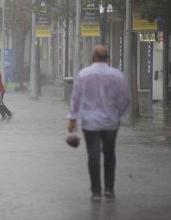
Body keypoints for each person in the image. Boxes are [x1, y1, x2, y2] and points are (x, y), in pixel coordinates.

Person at [68, 45, 131, 202]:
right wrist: (120, 116)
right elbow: (126, 99)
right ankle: (109, 189)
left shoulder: (84, 75)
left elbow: (75, 98)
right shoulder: (117, 75)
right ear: (108, 58)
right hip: (111, 122)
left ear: (93, 58)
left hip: (90, 122)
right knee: (110, 154)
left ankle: (96, 191)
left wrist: (72, 119)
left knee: (93, 155)